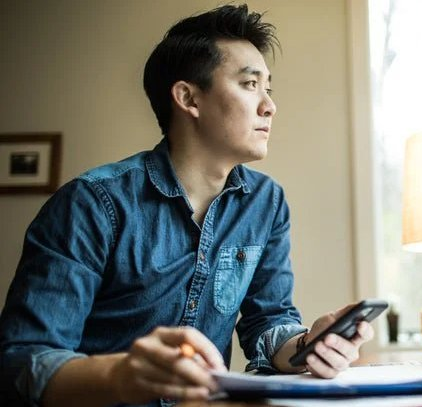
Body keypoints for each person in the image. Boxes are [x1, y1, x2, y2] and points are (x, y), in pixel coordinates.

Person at [0, 4, 373, 407]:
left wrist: (307, 345)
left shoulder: (266, 203)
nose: (269, 106)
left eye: (269, 88)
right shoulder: (91, 203)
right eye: (250, 84)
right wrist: (121, 375)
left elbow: (267, 323)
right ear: (188, 98)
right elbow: (24, 360)